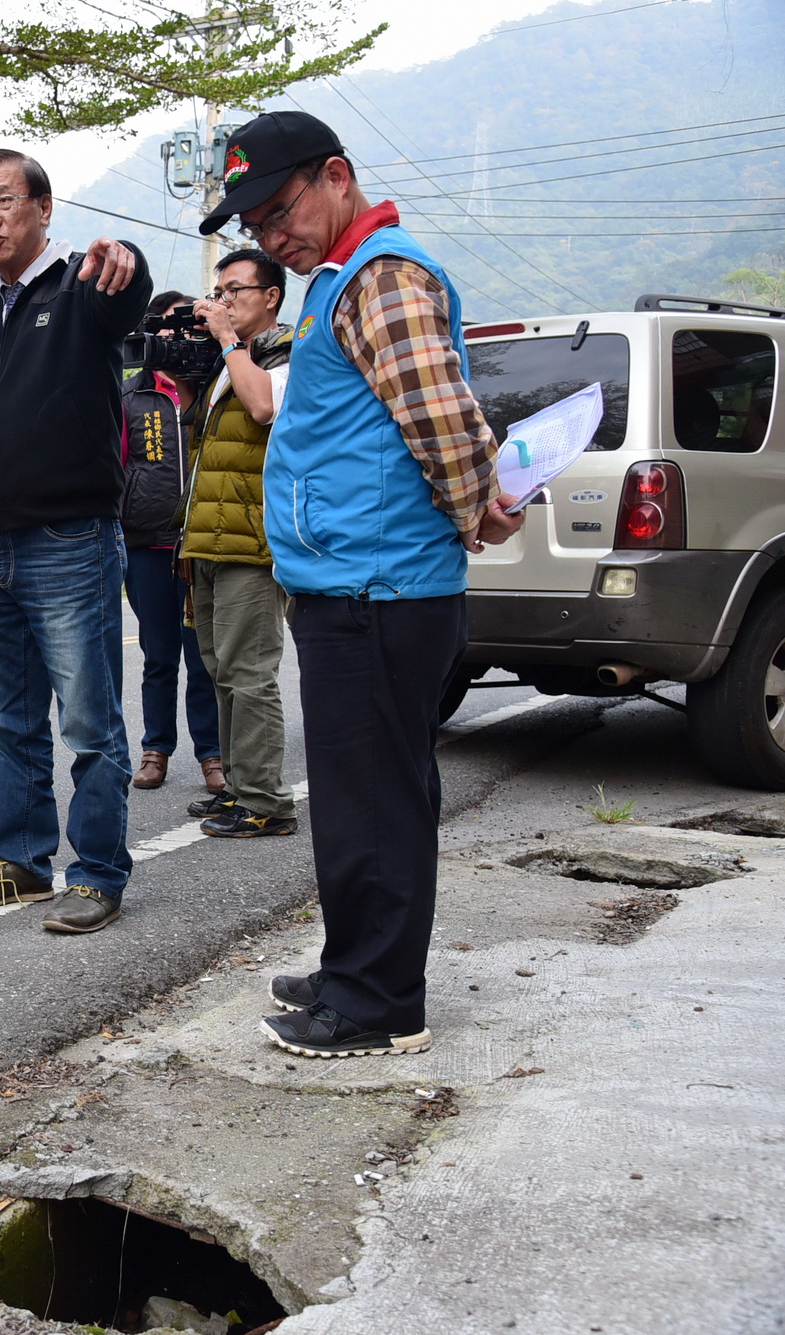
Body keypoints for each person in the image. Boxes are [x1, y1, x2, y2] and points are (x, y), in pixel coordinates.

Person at [196, 111, 522, 1053]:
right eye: (255, 224)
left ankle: (379, 1004)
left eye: (280, 210)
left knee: (372, 801)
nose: (271, 236)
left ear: (336, 176)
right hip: (356, 583)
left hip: (378, 589)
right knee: (365, 794)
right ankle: (356, 966)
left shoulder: (381, 275)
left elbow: (440, 415)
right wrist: (475, 502)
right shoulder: (343, 277)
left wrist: (477, 507)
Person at [0, 148, 152, 935]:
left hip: (67, 540)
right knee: (9, 718)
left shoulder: (81, 290)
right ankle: (21, 862)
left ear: (43, 207)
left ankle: (96, 873)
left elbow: (126, 294)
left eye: (3, 200)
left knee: (89, 719)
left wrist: (127, 263)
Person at [180, 248, 298, 839]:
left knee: (248, 672)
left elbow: (265, 406)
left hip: (252, 542)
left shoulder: (287, 351)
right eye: (219, 291)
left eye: (235, 290)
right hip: (209, 538)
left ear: (270, 295)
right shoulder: (231, 360)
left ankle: (267, 802)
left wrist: (227, 340)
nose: (223, 301)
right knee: (220, 668)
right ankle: (238, 786)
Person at [122, 289, 223, 796]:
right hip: (148, 546)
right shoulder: (131, 395)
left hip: (203, 546)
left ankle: (213, 755)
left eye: (181, 326)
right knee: (158, 656)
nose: (172, 335)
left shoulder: (214, 387)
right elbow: (114, 467)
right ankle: (155, 750)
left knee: (204, 658)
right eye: (163, 325)